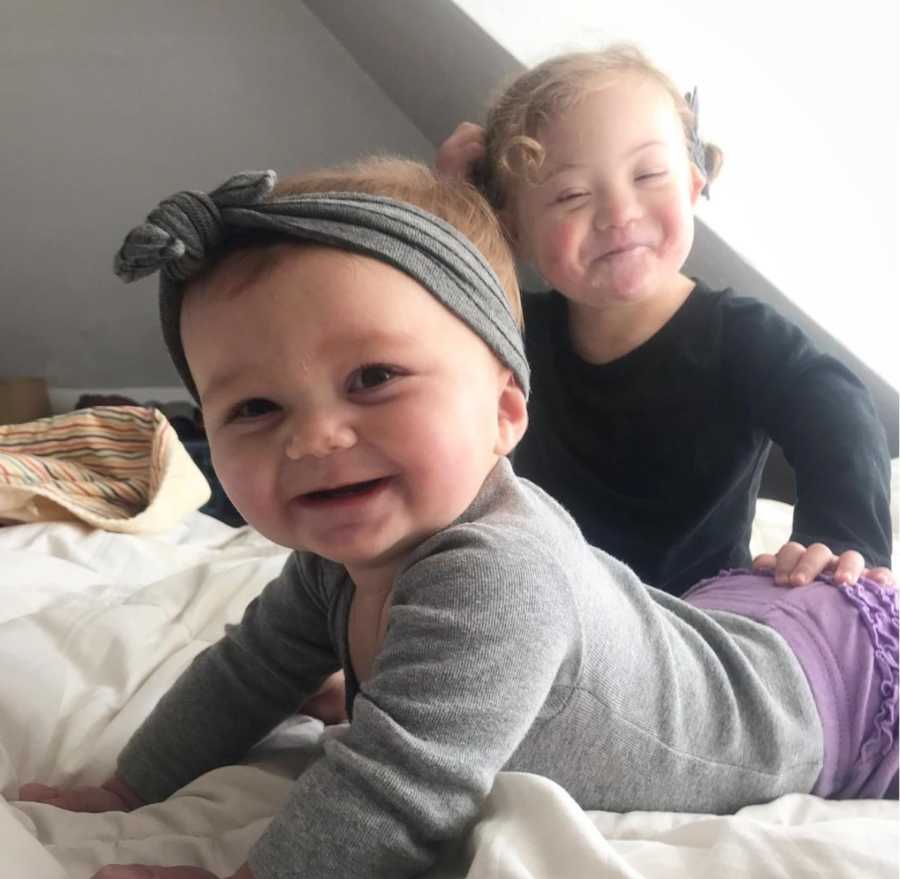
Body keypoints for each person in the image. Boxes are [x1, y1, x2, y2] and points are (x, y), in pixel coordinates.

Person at [20, 159, 897, 879]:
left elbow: (400, 786)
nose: (316, 437)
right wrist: (127, 791)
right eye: (254, 407)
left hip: (832, 697)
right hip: (729, 621)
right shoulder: (341, 551)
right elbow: (249, 669)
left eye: (373, 378)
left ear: (506, 413)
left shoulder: (494, 575)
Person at [435, 43, 894, 596]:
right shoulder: (507, 331)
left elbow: (837, 412)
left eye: (649, 175)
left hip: (693, 624)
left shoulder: (742, 337)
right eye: (572, 194)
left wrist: (841, 538)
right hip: (544, 607)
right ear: (513, 228)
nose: (619, 213)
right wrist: (454, 222)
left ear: (694, 186)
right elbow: (414, 347)